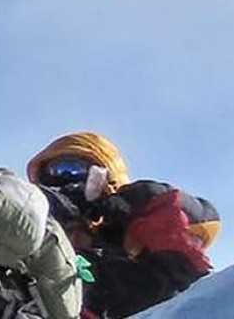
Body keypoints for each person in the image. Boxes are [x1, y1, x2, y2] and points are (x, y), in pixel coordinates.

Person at [27, 132, 220, 318]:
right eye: (50, 174)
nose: (61, 179)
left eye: (71, 168)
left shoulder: (132, 227)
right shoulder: (39, 240)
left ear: (104, 174)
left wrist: (144, 200)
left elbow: (203, 226)